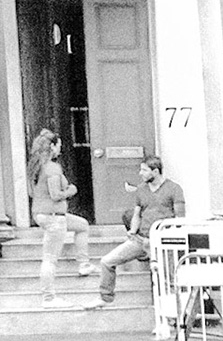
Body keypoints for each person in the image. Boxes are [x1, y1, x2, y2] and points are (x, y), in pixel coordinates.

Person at [93, 154, 185, 306]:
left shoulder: (174, 189)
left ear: (155, 172)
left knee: (167, 279)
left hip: (163, 241)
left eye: (144, 170)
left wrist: (164, 236)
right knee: (107, 261)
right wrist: (133, 231)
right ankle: (105, 297)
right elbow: (137, 214)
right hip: (142, 239)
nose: (140, 173)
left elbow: (180, 219)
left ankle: (170, 315)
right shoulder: (141, 190)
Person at [26, 129, 94, 306]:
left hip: (42, 214)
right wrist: (71, 190)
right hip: (54, 216)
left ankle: (84, 263)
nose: (60, 149)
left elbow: (32, 192)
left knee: (82, 225)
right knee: (49, 258)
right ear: (52, 147)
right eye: (59, 146)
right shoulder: (52, 167)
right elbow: (56, 194)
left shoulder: (36, 165)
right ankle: (48, 297)